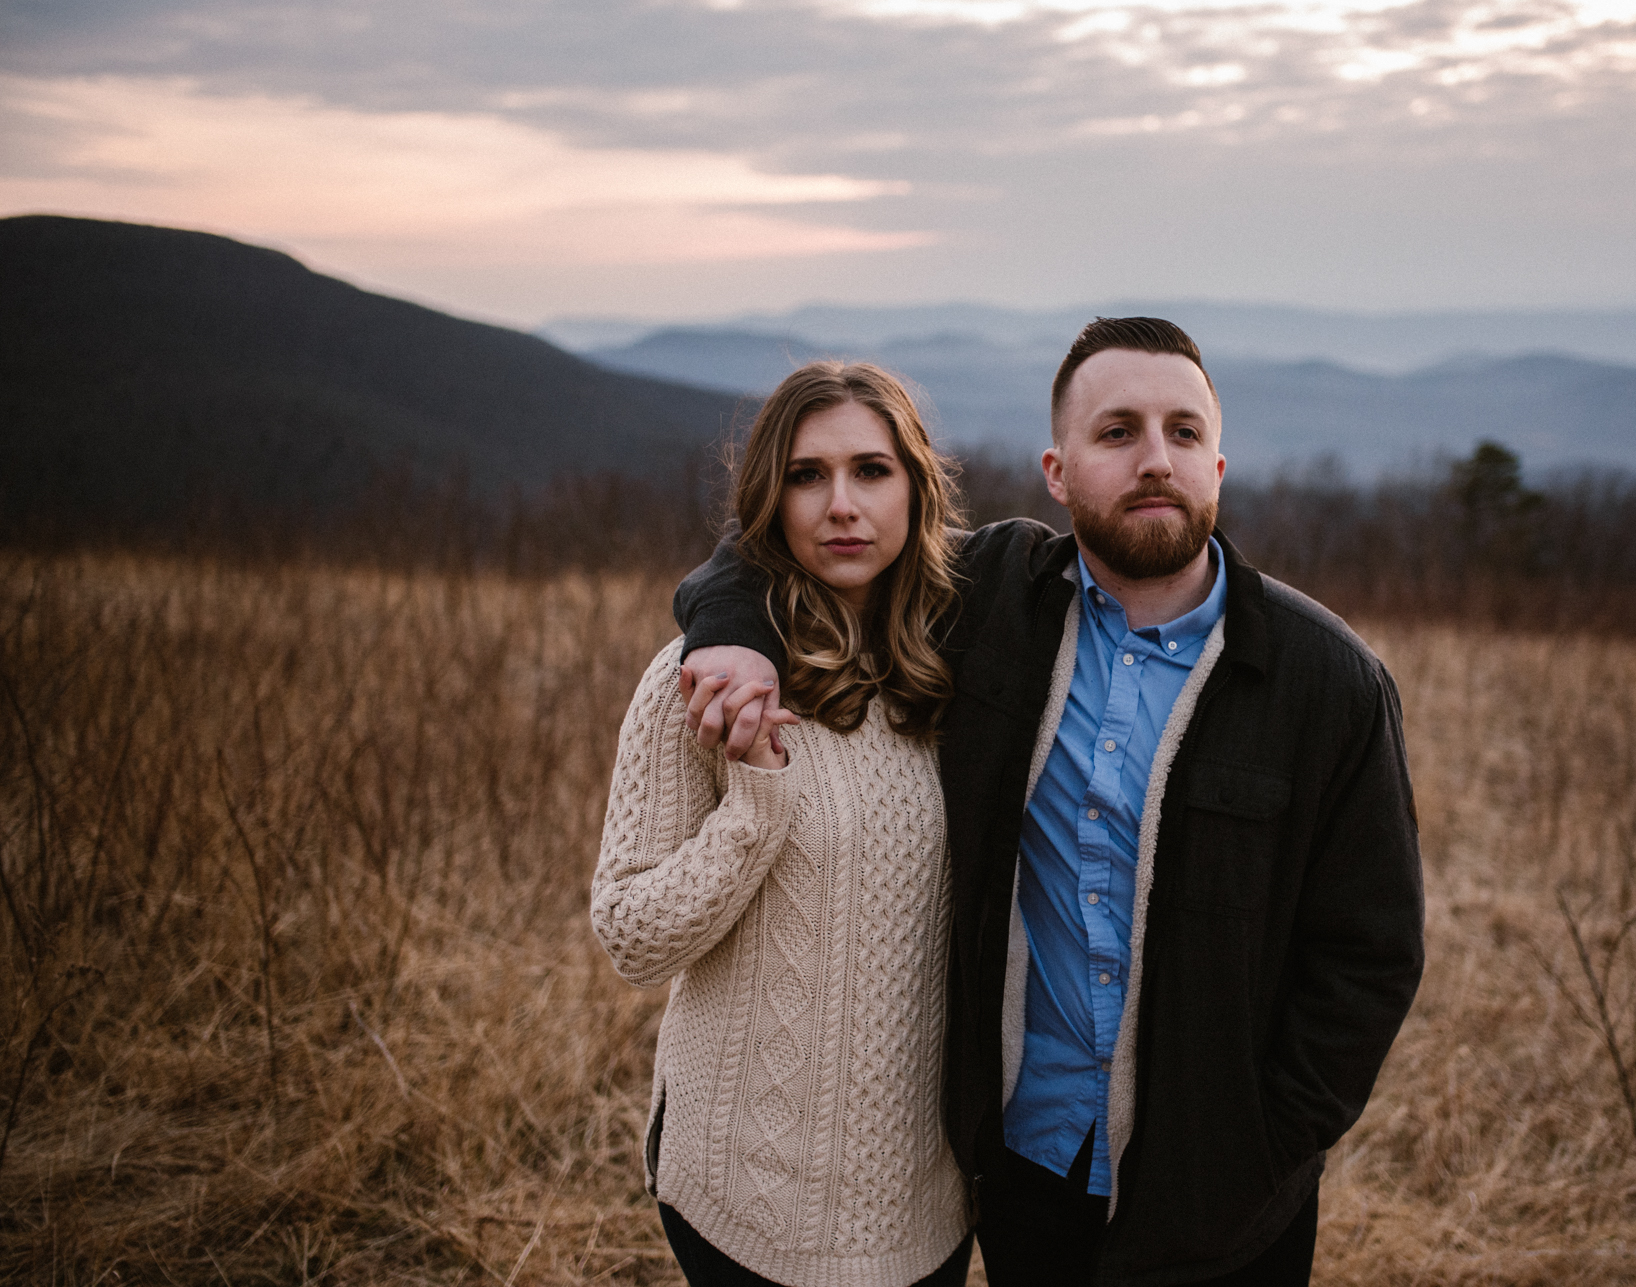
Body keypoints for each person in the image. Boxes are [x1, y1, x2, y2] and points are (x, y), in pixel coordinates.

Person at [674, 318, 1425, 1287]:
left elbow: (1370, 954)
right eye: (1116, 432)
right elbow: (798, 543)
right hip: (1021, 1171)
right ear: (1056, 471)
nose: (1155, 459)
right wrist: (729, 630)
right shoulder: (987, 599)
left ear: (1217, 464)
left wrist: (1259, 1148)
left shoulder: (1327, 684)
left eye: (1183, 433)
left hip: (1225, 1205)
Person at [591, 362, 974, 1287]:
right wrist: (757, 804)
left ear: (917, 489)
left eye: (872, 471)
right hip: (746, 1197)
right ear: (772, 498)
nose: (842, 504)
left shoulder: (965, 665)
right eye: (808, 475)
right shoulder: (706, 684)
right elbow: (632, 938)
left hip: (927, 1203)